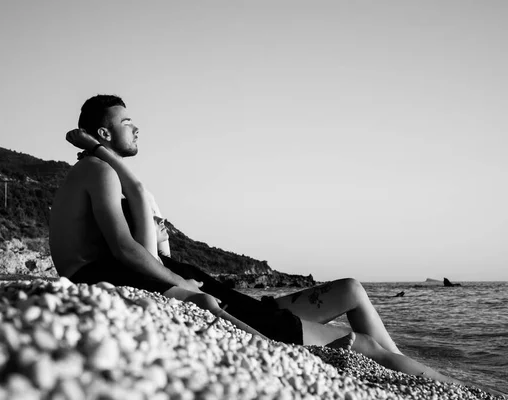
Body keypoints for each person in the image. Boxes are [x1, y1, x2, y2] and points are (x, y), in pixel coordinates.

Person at [51, 94, 464, 385]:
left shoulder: (102, 178)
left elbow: (144, 250)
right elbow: (128, 252)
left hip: (205, 290)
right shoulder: (96, 171)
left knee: (353, 295)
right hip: (199, 293)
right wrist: (177, 283)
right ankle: (459, 389)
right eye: (126, 123)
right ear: (103, 135)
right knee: (366, 347)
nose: (137, 127)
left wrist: (143, 206)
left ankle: (412, 371)